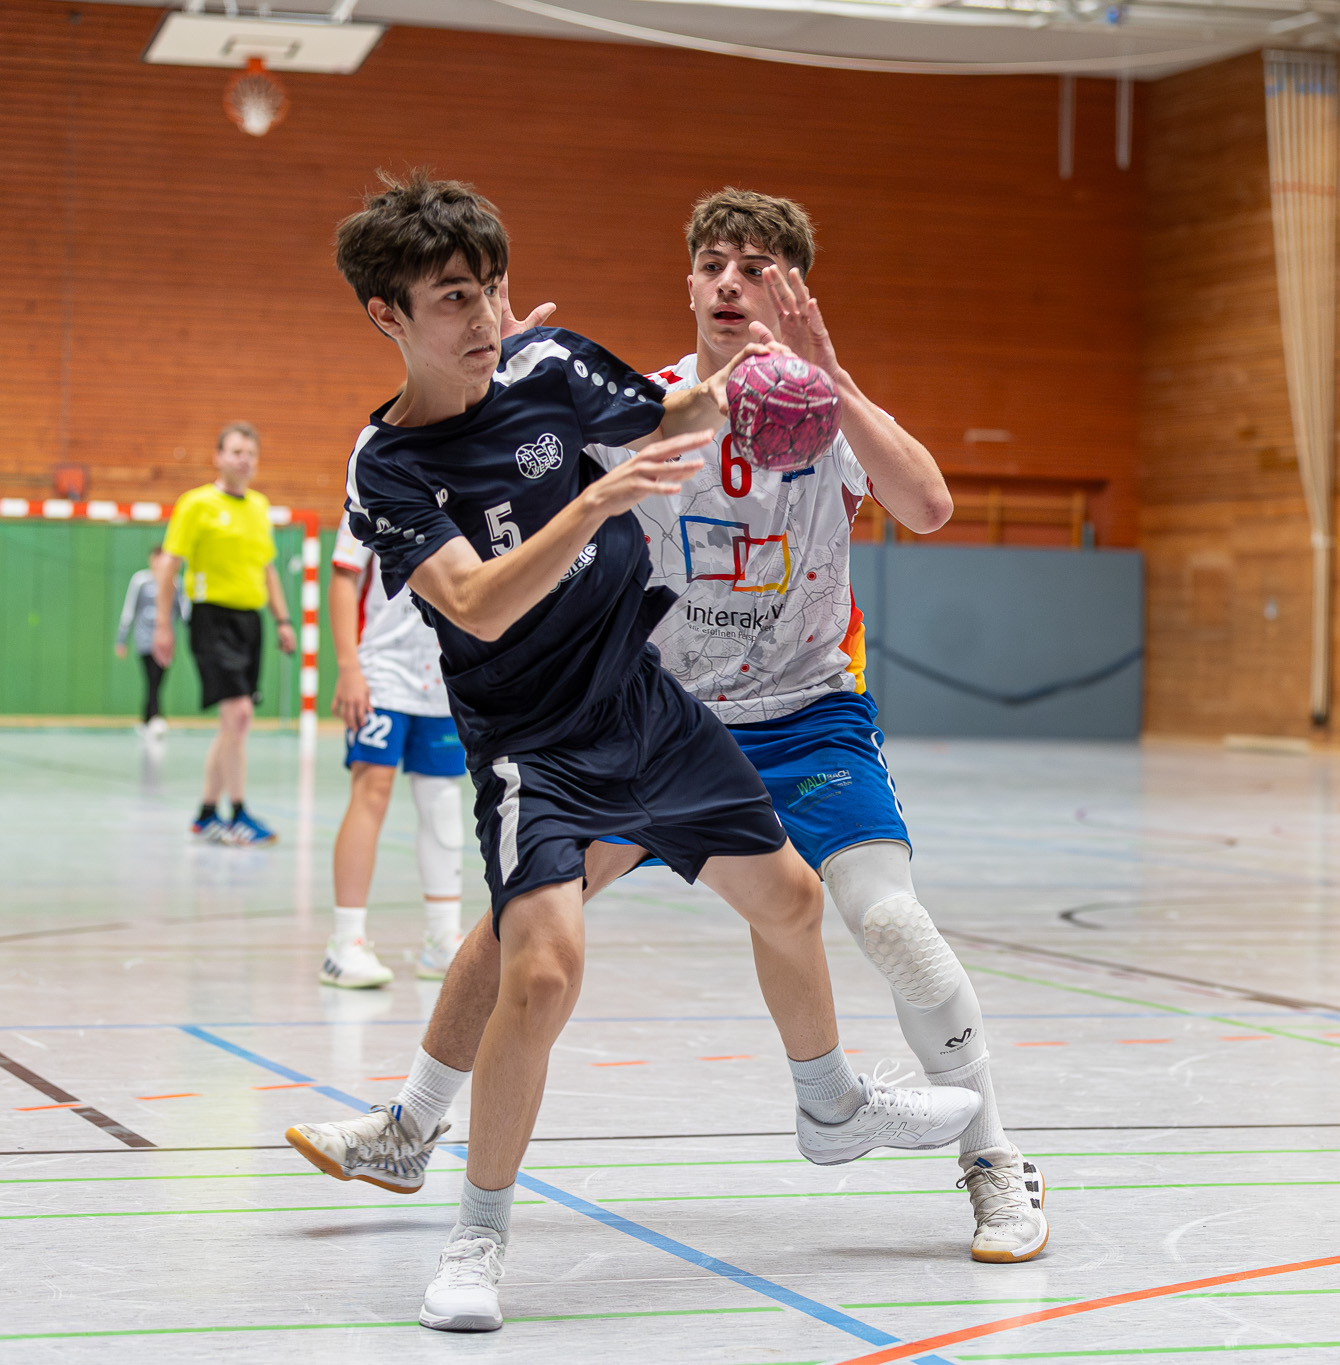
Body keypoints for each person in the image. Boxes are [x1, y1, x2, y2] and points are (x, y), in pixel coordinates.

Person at [301, 188, 1049, 1265]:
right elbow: (509, 466)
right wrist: (500, 370)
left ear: (793, 290)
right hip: (663, 713)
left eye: (758, 267)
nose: (733, 284)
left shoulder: (819, 412)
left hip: (806, 715)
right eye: (714, 265)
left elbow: (928, 506)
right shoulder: (636, 406)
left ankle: (991, 1162)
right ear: (690, 284)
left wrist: (832, 379)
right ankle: (410, 1126)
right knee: (519, 929)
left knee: (883, 920)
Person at [319, 519, 471, 989]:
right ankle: (345, 942)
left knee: (442, 799)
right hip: (381, 671)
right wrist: (348, 666)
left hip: (445, 674)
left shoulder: (467, 489)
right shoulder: (372, 488)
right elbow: (343, 578)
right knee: (372, 790)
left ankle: (442, 940)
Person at [154, 423, 296, 844]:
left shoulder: (259, 507)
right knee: (239, 715)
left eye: (250, 453)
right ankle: (237, 813)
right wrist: (163, 625)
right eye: (235, 451)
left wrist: (283, 620)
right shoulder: (195, 504)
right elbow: (169, 567)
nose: (244, 460)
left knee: (233, 724)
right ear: (217, 457)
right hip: (210, 618)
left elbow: (268, 569)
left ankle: (204, 814)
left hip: (249, 622)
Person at [115, 545, 182, 736]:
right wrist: (122, 639)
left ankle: (149, 717)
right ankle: (155, 717)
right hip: (144, 640)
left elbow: (182, 610)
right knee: (152, 677)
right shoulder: (140, 581)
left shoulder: (176, 582)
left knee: (159, 679)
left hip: (167, 642)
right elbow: (129, 611)